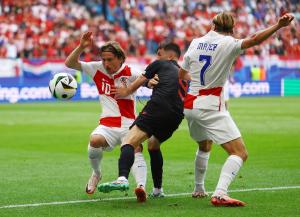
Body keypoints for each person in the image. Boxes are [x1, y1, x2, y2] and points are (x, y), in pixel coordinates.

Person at [179, 12, 294, 206]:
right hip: (210, 105)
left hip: (190, 105)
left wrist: (199, 82)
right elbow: (254, 39)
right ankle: (220, 193)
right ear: (231, 30)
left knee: (204, 145)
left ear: (212, 26)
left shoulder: (195, 42)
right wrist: (278, 26)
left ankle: (199, 189)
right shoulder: (229, 43)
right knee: (240, 153)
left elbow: (182, 74)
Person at [98, 42, 188, 202]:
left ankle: (122, 178)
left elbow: (141, 79)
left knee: (128, 141)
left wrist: (126, 91)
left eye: (159, 54)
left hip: (158, 106)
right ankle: (158, 190)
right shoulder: (184, 74)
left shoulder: (160, 64)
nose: (157, 57)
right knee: (153, 145)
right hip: (177, 115)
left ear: (171, 56)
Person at [64, 32, 148, 198]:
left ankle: (141, 187)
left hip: (129, 123)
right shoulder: (96, 69)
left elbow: (148, 80)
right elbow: (70, 63)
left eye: (109, 59)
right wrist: (81, 47)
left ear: (120, 58)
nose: (106, 63)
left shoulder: (131, 71)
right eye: (103, 59)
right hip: (107, 124)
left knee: (136, 147)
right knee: (94, 140)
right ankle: (96, 173)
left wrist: (148, 84)